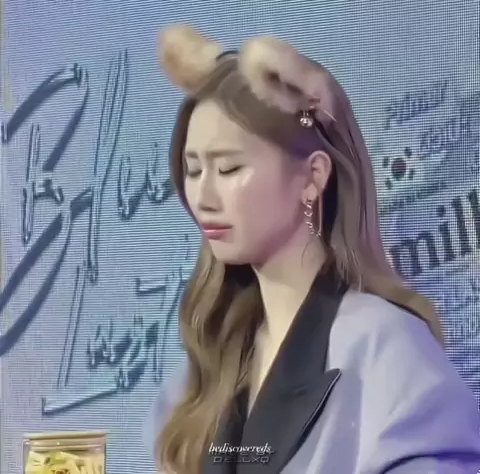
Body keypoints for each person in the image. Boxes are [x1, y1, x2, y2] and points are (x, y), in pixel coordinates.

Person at [144, 25, 480, 474]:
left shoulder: (386, 348)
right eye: (192, 170)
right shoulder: (199, 377)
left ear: (313, 176)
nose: (202, 197)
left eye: (228, 169)